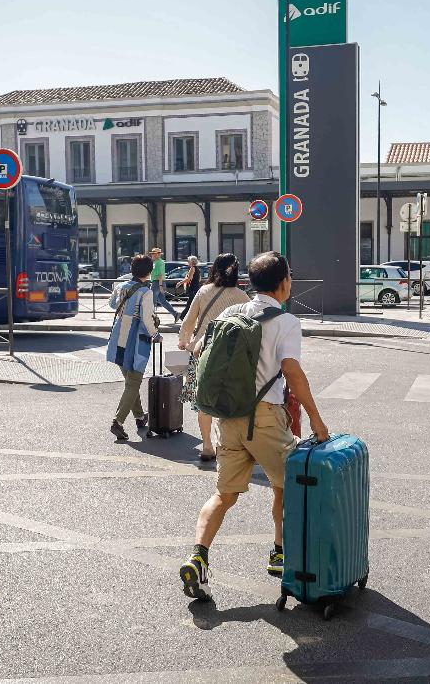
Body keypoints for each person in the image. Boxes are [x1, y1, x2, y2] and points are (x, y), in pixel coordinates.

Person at [179, 251, 331, 601]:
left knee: (224, 495)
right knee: (288, 485)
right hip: (264, 417)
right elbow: (292, 371)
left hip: (227, 417)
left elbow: (201, 352)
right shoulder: (286, 321)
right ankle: (279, 553)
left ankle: (198, 557)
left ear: (251, 282)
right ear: (284, 283)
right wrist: (318, 421)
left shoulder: (232, 313)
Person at [178, 253, 251, 462]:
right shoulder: (241, 296)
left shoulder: (204, 291)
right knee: (227, 398)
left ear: (213, 269)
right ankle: (226, 443)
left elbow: (189, 321)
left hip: (201, 352)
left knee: (203, 401)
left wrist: (183, 340)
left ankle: (207, 446)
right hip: (229, 355)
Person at [106, 254, 160, 441]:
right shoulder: (146, 291)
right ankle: (118, 422)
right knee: (134, 382)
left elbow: (112, 304)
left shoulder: (122, 286)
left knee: (130, 381)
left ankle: (139, 417)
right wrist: (155, 334)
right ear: (149, 272)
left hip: (118, 336)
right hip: (135, 340)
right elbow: (147, 319)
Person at [148, 247, 180, 322]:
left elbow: (160, 275)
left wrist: (160, 285)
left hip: (157, 283)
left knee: (152, 301)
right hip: (157, 282)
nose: (152, 255)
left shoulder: (159, 262)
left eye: (154, 254)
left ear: (158, 254)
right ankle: (175, 314)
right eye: (152, 254)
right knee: (162, 301)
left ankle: (151, 318)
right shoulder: (156, 262)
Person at [176, 255, 201, 321]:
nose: (188, 262)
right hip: (196, 288)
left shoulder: (192, 268)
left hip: (192, 288)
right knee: (192, 304)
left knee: (190, 304)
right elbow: (199, 279)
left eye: (188, 261)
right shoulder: (198, 269)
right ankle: (185, 317)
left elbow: (188, 279)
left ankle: (182, 317)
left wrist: (180, 283)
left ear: (192, 261)